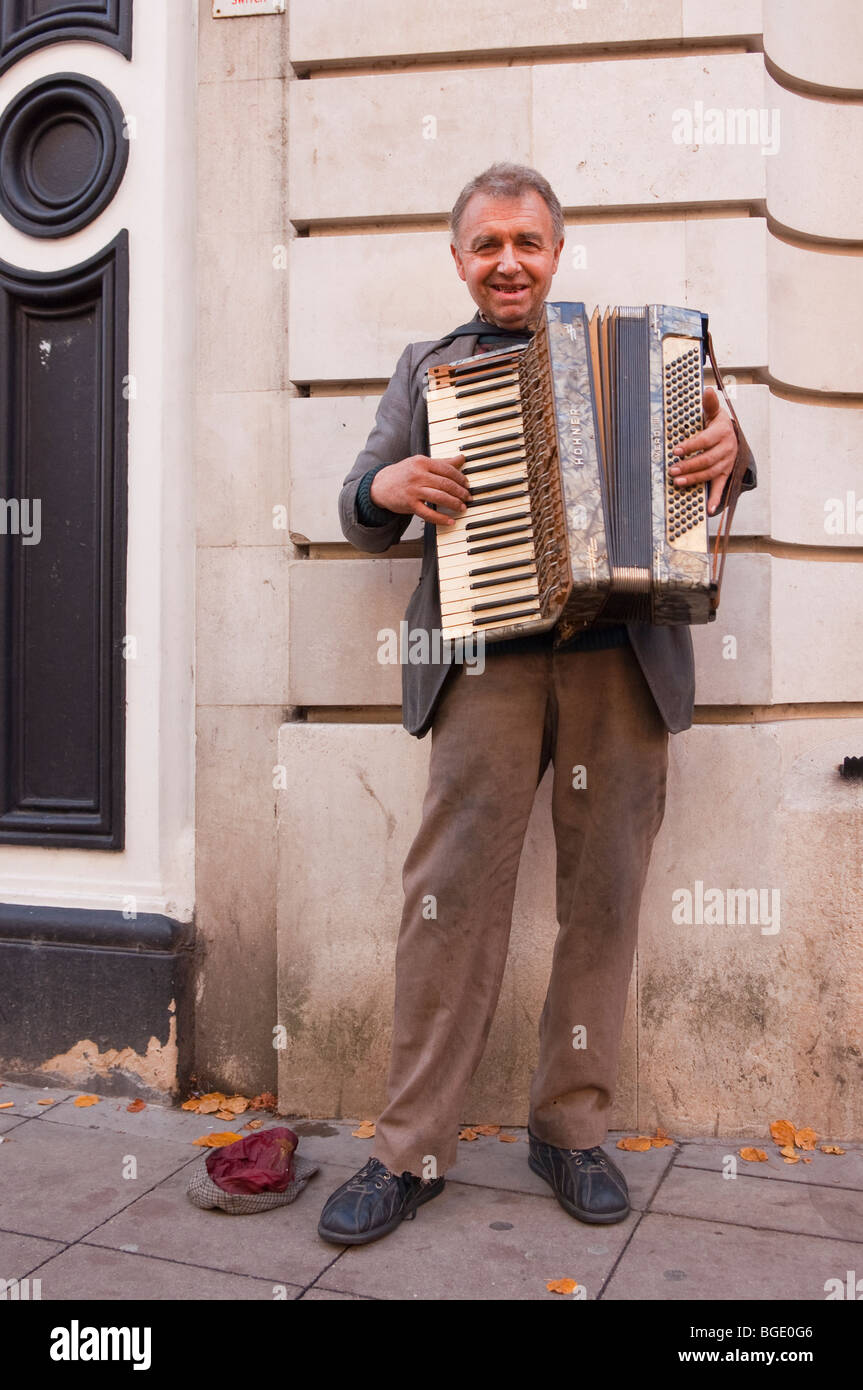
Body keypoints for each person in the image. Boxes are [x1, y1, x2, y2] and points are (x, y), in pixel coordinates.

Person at [319, 164, 756, 1246]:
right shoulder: (428, 367)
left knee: (600, 900)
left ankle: (566, 1128)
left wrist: (733, 450)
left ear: (556, 250)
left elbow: (720, 462)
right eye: (484, 244)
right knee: (448, 904)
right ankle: (408, 1146)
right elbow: (357, 503)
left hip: (622, 662)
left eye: (525, 241)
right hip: (487, 664)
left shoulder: (659, 351)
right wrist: (387, 488)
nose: (506, 261)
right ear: (457, 259)